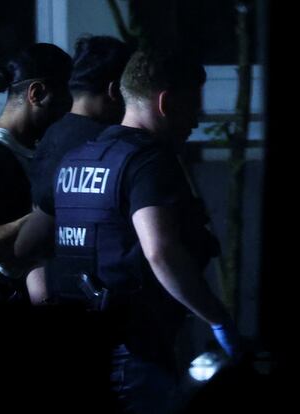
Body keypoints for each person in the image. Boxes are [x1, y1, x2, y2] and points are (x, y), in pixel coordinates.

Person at [50, 49, 242, 413]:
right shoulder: (149, 160)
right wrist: (217, 319)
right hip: (134, 350)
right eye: (192, 107)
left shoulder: (78, 158)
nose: (197, 121)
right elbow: (161, 251)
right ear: (166, 102)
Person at [15, 35, 133, 299]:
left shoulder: (51, 136)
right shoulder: (110, 145)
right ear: (115, 92)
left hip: (60, 286)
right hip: (104, 292)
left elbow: (33, 241)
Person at [0, 43, 72, 303]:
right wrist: (48, 213)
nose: (67, 112)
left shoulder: (29, 150)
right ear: (37, 93)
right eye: (65, 100)